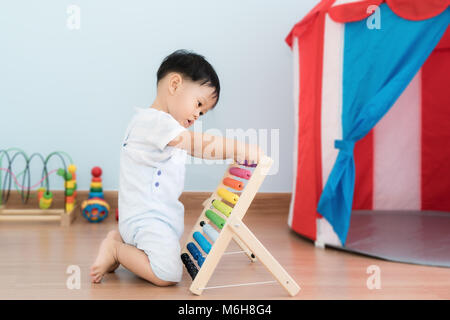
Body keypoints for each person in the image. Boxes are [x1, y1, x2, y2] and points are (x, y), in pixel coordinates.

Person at [90, 49, 263, 286]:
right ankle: (116, 250)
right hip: (148, 220)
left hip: (141, 219)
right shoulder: (157, 122)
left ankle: (120, 239)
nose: (197, 115)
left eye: (202, 112)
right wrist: (239, 149)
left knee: (167, 255)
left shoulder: (147, 121)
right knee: (167, 274)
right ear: (174, 84)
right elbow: (198, 145)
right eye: (198, 103)